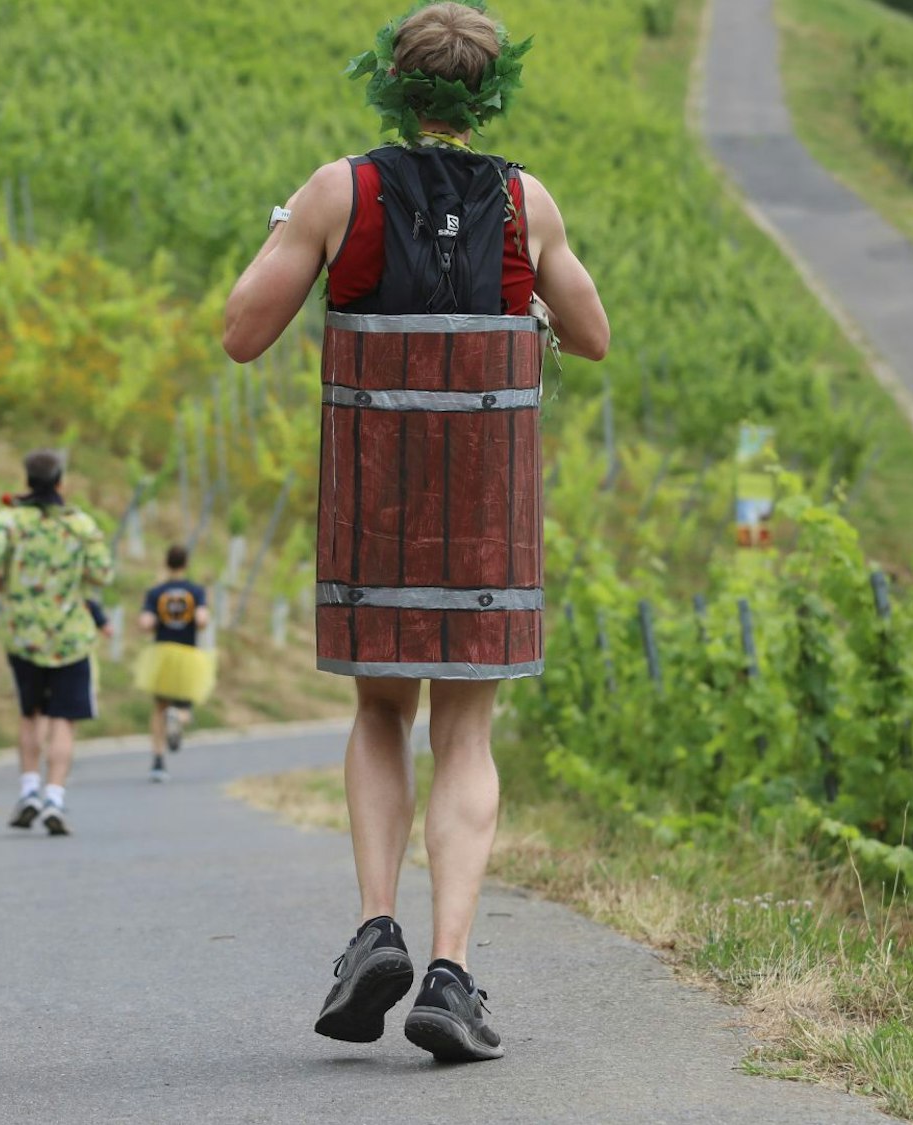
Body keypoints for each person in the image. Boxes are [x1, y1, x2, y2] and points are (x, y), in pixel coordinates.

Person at [222, 2, 608, 1063]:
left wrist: (287, 235)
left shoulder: (339, 190)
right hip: (485, 509)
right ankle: (448, 968)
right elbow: (594, 336)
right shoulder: (525, 201)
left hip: (373, 498)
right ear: (490, 95)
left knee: (380, 709)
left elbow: (241, 334)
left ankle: (373, 928)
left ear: (390, 81)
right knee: (466, 734)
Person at [0, 450, 114, 836]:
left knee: (30, 714)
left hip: (24, 633)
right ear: (60, 482)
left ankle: (28, 791)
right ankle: (55, 796)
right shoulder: (80, 523)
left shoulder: (9, 519)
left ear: (27, 480)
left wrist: (3, 586)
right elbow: (103, 573)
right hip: (70, 635)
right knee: (63, 720)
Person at [134, 545, 213, 782]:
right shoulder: (196, 591)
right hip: (188, 655)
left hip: (162, 655)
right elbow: (201, 620)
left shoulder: (156, 592)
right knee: (185, 705)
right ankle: (177, 718)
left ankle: (158, 762)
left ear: (166, 563)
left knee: (159, 707)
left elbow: (145, 623)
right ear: (186, 564)